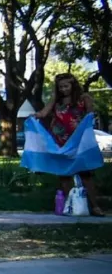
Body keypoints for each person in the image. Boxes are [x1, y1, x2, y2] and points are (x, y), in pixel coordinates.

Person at [35, 73, 104, 216]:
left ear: (73, 85)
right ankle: (70, 206)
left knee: (86, 174)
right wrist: (35, 116)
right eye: (60, 87)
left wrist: (89, 118)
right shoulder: (56, 100)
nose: (63, 89)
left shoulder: (83, 98)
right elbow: (43, 113)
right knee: (65, 175)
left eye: (66, 86)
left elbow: (90, 114)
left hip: (80, 142)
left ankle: (95, 206)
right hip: (61, 143)